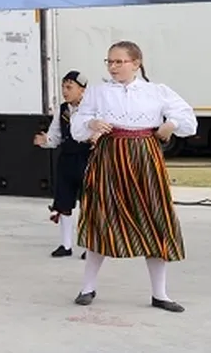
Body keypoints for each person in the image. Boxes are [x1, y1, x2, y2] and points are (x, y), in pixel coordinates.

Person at [70, 41, 195, 313]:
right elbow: (78, 124)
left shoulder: (156, 91)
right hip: (109, 157)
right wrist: (91, 123)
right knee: (101, 217)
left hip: (145, 158)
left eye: (119, 62)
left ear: (136, 63)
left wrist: (170, 124)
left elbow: (186, 116)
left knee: (155, 218)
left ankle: (160, 294)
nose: (113, 67)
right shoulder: (98, 92)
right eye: (110, 62)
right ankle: (87, 287)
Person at [33, 70, 91, 259]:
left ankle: (88, 246)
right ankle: (65, 244)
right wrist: (46, 141)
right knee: (64, 201)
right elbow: (55, 135)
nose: (65, 91)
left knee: (88, 202)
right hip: (67, 159)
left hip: (87, 158)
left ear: (82, 90)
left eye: (69, 87)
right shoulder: (63, 109)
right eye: (63, 87)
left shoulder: (91, 109)